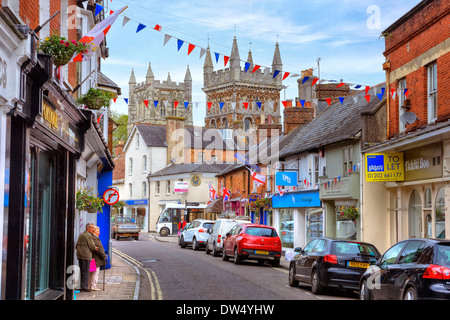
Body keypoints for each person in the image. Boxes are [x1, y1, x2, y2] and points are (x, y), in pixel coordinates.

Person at [76, 223, 97, 292]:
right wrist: (95, 248)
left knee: (82, 271)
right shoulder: (88, 235)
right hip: (86, 256)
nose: (93, 229)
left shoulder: (81, 235)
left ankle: (82, 286)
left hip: (80, 255)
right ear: (88, 228)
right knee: (86, 272)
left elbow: (76, 245)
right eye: (92, 228)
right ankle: (85, 287)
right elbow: (92, 246)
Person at [89, 226, 108, 291]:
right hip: (96, 258)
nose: (99, 232)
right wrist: (104, 255)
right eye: (97, 231)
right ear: (94, 232)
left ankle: (91, 286)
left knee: (92, 272)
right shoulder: (95, 238)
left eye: (99, 231)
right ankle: (93, 286)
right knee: (95, 272)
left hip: (94, 258)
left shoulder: (94, 237)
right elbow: (99, 249)